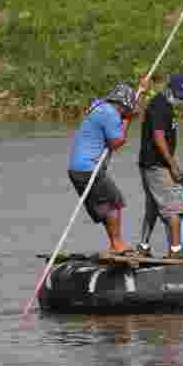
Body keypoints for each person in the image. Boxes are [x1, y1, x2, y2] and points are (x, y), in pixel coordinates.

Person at [66, 80, 147, 253]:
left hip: (77, 169)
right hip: (89, 168)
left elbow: (133, 110)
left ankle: (114, 243)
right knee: (115, 202)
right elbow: (116, 142)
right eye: (125, 109)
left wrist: (141, 91)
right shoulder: (110, 113)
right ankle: (117, 244)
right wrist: (126, 121)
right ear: (121, 105)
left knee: (104, 207)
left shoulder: (99, 107)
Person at [136, 73, 183, 258]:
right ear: (169, 89)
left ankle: (143, 246)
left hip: (150, 163)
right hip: (158, 165)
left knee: (153, 207)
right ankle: (176, 251)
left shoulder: (161, 103)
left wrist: (144, 92)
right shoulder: (161, 106)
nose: (179, 99)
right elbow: (159, 137)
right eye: (177, 95)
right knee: (175, 207)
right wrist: (173, 165)